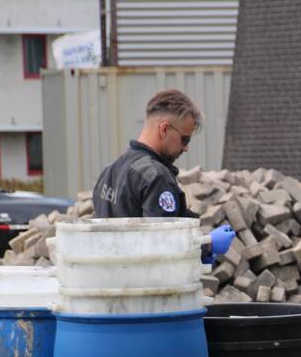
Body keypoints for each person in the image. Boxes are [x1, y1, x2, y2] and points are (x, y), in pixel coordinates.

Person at [93, 88, 234, 262]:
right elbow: (164, 243)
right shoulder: (156, 177)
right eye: (185, 139)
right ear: (164, 129)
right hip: (148, 285)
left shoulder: (111, 170)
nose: (186, 148)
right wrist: (208, 245)